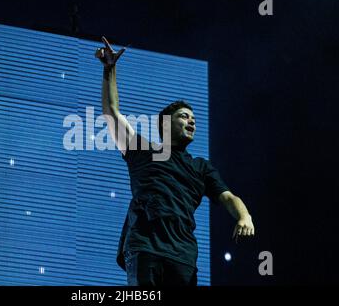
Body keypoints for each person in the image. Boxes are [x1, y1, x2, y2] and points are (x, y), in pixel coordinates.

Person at [95, 36, 255, 286]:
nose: (191, 121)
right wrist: (109, 68)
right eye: (184, 117)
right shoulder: (142, 150)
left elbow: (228, 197)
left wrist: (244, 217)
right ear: (166, 124)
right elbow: (111, 112)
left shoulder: (201, 167)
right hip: (145, 249)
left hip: (183, 257)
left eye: (194, 119)